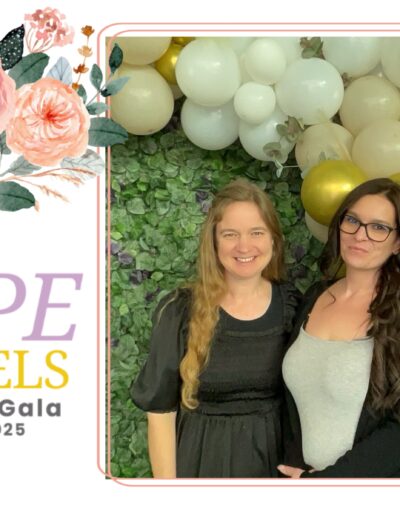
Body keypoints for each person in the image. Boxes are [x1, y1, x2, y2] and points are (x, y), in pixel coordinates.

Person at [130, 178, 299, 478]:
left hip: (272, 468)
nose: (244, 246)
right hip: (201, 463)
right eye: (230, 234)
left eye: (256, 232)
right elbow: (160, 413)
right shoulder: (180, 310)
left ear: (273, 240)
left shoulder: (292, 306)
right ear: (214, 241)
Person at [280, 177, 400, 478]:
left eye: (379, 227)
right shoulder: (314, 296)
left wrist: (325, 484)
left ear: (397, 243)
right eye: (353, 221)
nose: (360, 235)